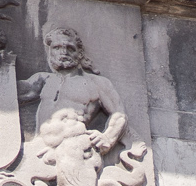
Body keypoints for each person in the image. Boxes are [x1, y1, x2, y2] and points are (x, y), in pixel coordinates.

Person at [21, 24, 126, 152]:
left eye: (70, 48)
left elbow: (119, 114)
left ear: (80, 53)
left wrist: (108, 138)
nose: (64, 52)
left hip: (74, 147)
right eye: (57, 47)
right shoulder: (43, 79)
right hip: (40, 146)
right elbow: (10, 92)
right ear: (50, 52)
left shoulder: (96, 83)